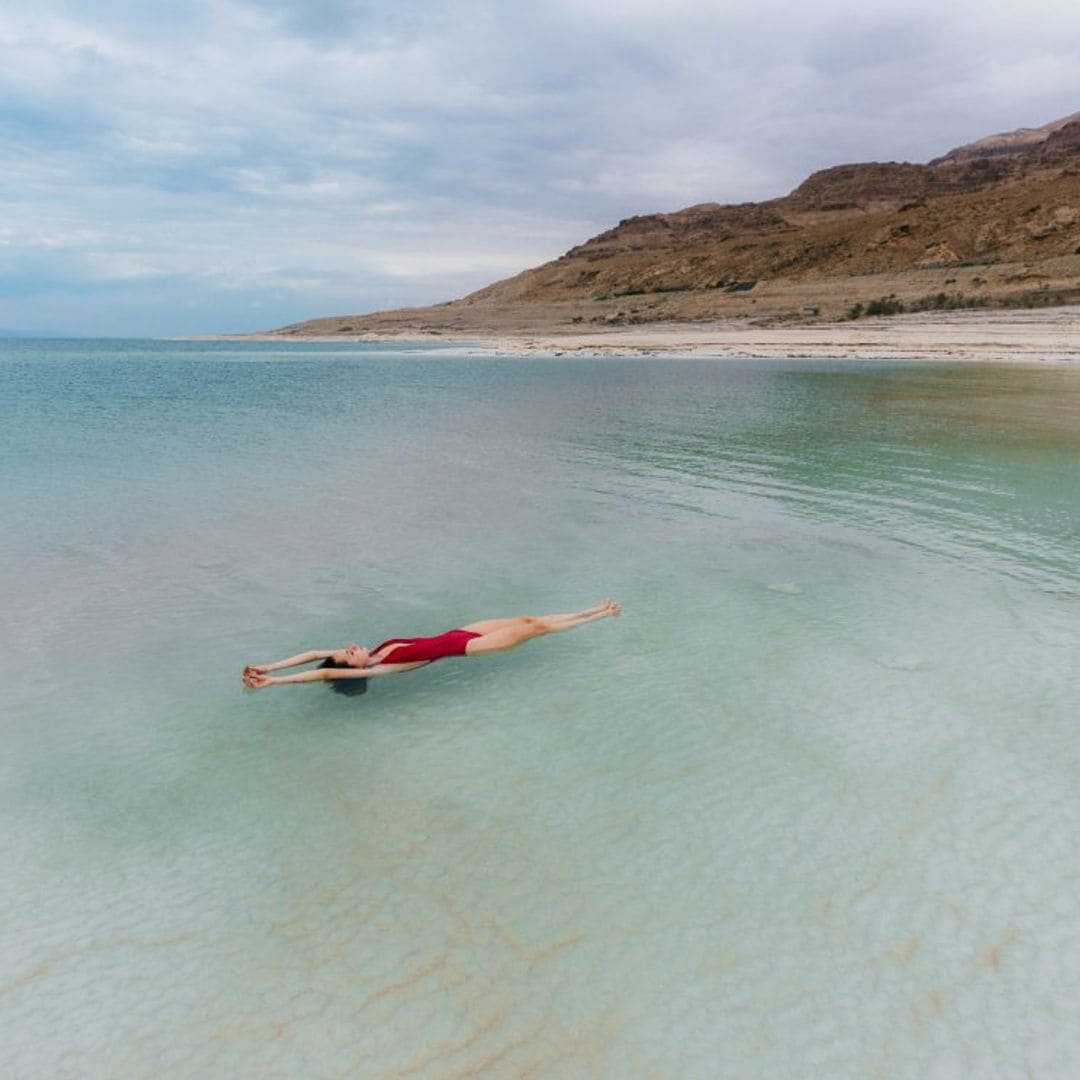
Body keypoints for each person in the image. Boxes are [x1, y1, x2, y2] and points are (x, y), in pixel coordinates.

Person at [241, 598, 620, 690]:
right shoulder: (381, 667)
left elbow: (313, 655)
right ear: (354, 669)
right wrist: (276, 684)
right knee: (536, 627)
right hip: (467, 647)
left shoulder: (376, 650)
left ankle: (596, 609)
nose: (350, 647)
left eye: (345, 648)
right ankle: (599, 615)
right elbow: (321, 672)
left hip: (461, 630)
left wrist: (268, 666)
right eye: (348, 654)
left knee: (525, 618)